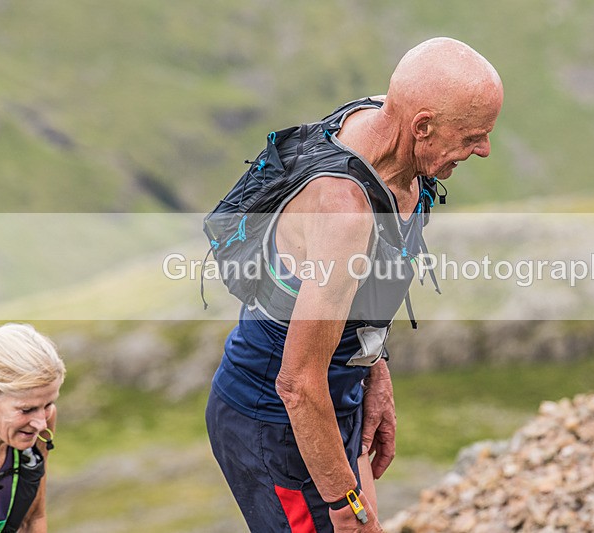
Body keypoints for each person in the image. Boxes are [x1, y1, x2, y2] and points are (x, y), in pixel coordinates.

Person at [206, 37, 503, 532]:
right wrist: (346, 504)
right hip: (277, 425)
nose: (485, 150)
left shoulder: (383, 125)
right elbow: (297, 382)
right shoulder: (344, 213)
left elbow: (359, 301)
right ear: (422, 126)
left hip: (334, 400)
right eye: (472, 136)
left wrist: (374, 373)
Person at [0, 324, 65, 533]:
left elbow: (33, 517)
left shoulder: (41, 425)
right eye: (26, 409)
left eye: (48, 404)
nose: (41, 424)